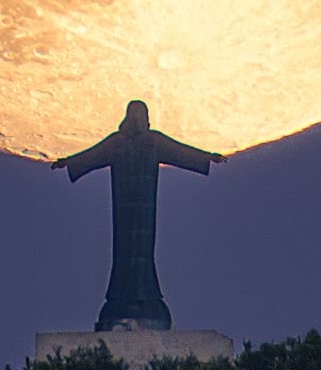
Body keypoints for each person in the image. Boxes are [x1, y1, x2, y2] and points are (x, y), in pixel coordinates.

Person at [53, 101, 224, 330]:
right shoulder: (117, 143)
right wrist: (69, 162)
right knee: (124, 250)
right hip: (123, 208)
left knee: (142, 251)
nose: (138, 120)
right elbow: (92, 154)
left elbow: (180, 151)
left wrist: (207, 157)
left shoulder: (153, 141)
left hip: (144, 208)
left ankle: (146, 296)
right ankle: (121, 299)